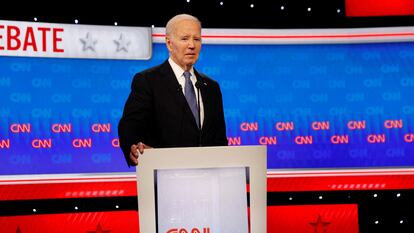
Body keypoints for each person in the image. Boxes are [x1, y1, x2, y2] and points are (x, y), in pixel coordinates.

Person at [118, 14, 228, 166]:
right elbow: (129, 126)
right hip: (165, 176)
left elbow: (220, 139)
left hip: (209, 178)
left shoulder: (211, 87)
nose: (192, 45)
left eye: (197, 39)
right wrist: (134, 146)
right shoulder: (148, 81)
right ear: (169, 43)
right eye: (185, 38)